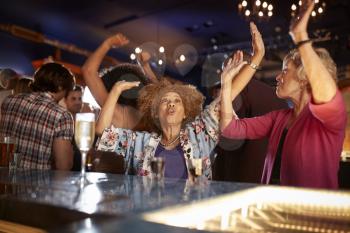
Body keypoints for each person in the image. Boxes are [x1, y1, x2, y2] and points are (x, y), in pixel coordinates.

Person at [94, 22, 260, 178]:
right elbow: (101, 131)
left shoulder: (199, 135)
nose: (171, 103)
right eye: (165, 101)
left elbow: (227, 96)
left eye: (177, 101)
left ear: (185, 112)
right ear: (156, 113)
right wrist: (115, 91)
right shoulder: (139, 142)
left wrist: (257, 58)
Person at [220, 0, 346, 189]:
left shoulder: (328, 118)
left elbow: (328, 94)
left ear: (304, 78)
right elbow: (230, 128)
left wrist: (300, 36)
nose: (278, 77)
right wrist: (226, 83)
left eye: (285, 70)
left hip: (311, 214)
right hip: (276, 207)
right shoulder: (279, 118)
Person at [0, 63, 76, 170]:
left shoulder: (9, 101)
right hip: (36, 184)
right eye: (66, 90)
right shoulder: (61, 115)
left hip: (5, 182)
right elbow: (63, 165)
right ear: (60, 87)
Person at [82, 33, 157, 131]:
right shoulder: (150, 116)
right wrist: (146, 66)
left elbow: (88, 71)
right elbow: (160, 90)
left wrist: (107, 44)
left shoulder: (115, 112)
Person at [63, 85, 84, 171]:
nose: (77, 102)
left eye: (80, 99)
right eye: (73, 99)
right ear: (65, 100)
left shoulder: (86, 124)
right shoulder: (61, 122)